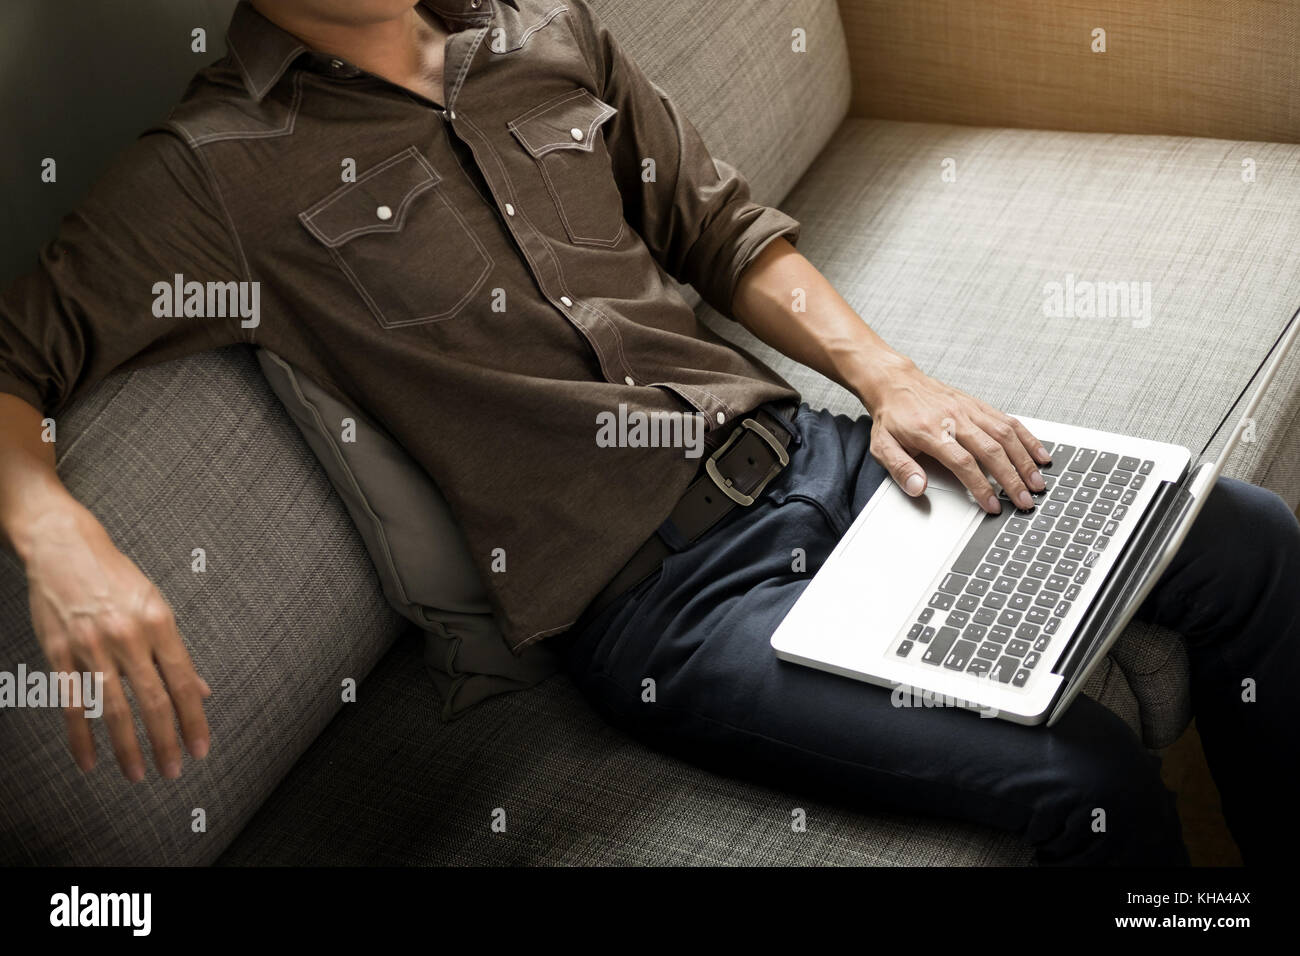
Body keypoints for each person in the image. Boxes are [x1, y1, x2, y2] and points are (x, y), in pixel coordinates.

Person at [0, 0, 1295, 864]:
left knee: (1251, 545)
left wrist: (894, 382)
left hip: (833, 460)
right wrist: (56, 528)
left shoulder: (546, 28)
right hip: (671, 609)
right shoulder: (214, 168)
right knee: (1083, 777)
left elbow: (716, 228)